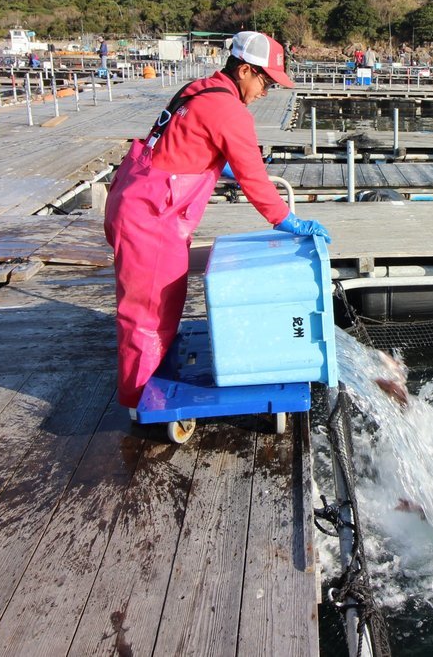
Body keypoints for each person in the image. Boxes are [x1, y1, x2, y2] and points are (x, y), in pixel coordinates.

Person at [104, 31, 331, 411]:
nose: (266, 91)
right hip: (153, 218)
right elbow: (254, 179)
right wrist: (286, 218)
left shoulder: (200, 89)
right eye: (266, 81)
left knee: (159, 307)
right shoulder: (230, 111)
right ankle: (138, 404)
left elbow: (179, 141)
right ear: (244, 70)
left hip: (134, 200)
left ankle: (144, 385)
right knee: (147, 317)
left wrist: (217, 163)